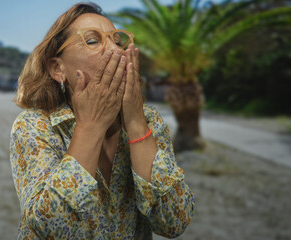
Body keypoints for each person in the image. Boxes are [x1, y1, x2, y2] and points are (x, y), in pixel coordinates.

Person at [10, 3, 194, 239]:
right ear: (58, 69)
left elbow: (174, 222)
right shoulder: (34, 126)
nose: (116, 51)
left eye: (118, 41)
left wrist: (136, 121)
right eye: (93, 40)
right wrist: (91, 126)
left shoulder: (149, 120)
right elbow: (50, 228)